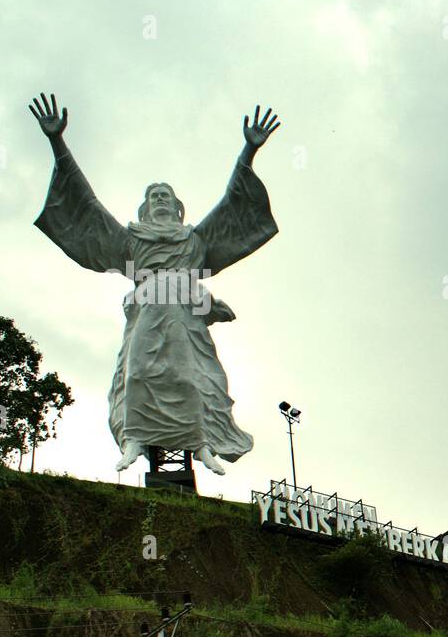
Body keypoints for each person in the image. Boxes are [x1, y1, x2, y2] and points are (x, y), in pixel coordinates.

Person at [29, 93, 280, 475]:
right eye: (154, 197)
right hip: (148, 306)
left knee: (188, 377)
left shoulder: (195, 240)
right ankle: (134, 439)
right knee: (139, 373)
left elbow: (233, 204)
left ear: (178, 209)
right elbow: (86, 203)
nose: (160, 200)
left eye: (166, 196)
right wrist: (56, 142)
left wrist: (248, 150)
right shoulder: (131, 241)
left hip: (183, 315)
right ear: (145, 208)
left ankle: (202, 446)